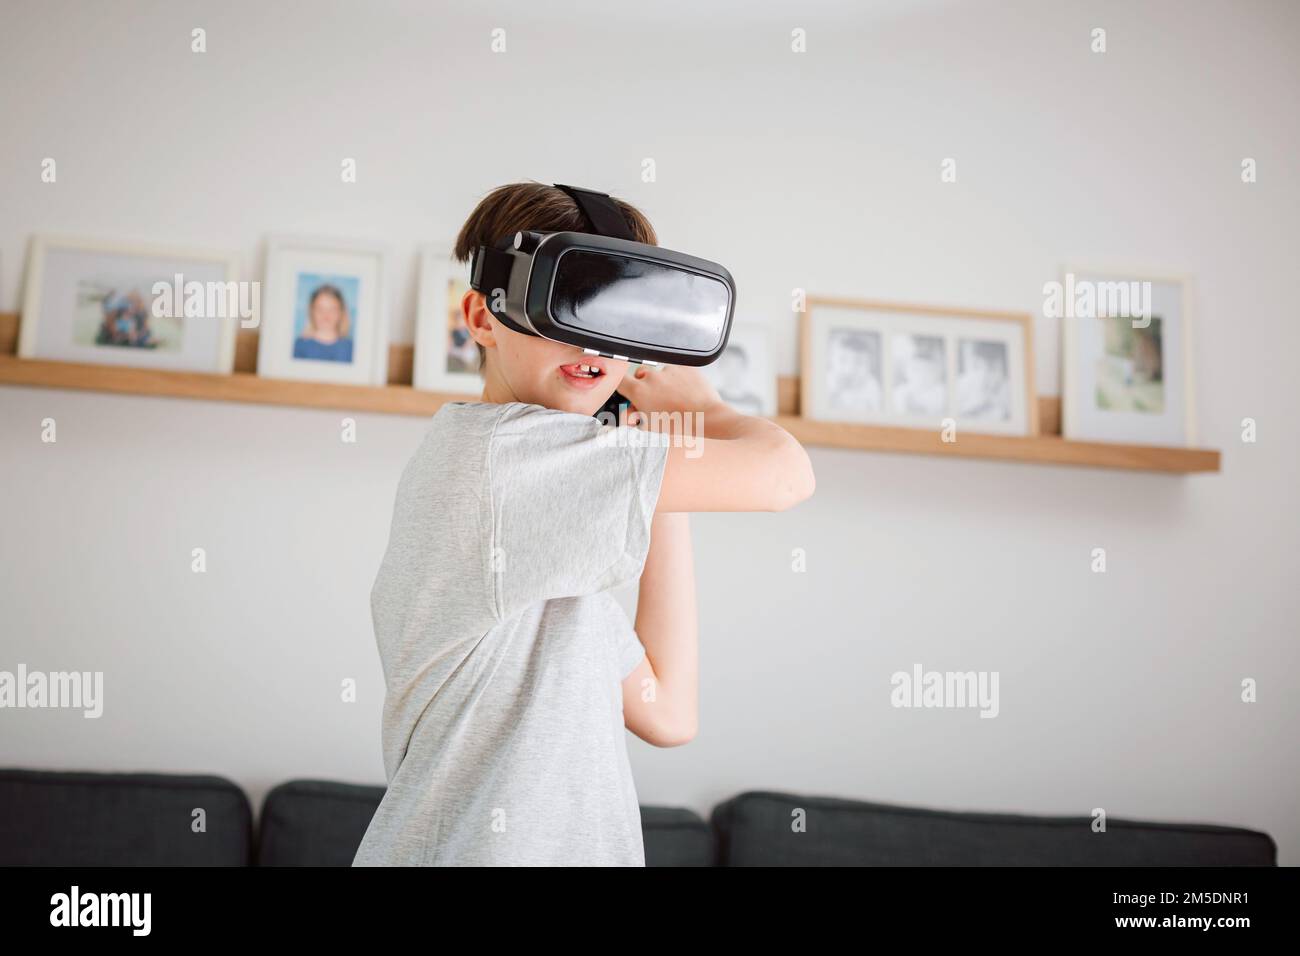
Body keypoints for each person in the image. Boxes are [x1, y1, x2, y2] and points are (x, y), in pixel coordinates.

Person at [352, 182, 815, 866]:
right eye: (563, 301)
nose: (589, 335)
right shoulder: (505, 460)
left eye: (614, 310)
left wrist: (656, 448)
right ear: (482, 316)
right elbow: (785, 474)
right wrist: (707, 411)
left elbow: (668, 711)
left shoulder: (555, 554)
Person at [293, 283, 354, 362]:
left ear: (341, 312)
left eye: (332, 309)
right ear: (312, 311)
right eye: (320, 309)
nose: (326, 315)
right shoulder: (300, 346)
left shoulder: (350, 348)